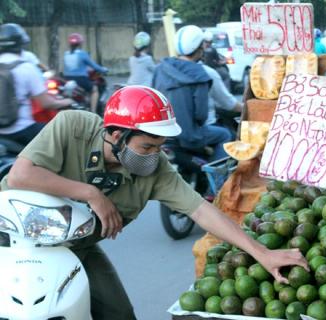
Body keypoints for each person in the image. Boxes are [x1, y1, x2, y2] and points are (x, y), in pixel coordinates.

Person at [1, 85, 308, 319]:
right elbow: (20, 176)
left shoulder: (155, 169)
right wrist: (91, 193)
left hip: (76, 249)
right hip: (13, 240)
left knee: (119, 313)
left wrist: (262, 252)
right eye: (146, 146)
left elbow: (201, 210)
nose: (152, 156)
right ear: (117, 134)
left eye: (159, 147)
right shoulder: (72, 127)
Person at [152, 25, 232, 161]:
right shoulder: (200, 74)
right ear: (199, 49)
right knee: (225, 134)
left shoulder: (160, 68)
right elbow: (201, 116)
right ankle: (218, 178)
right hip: (189, 136)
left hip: (162, 132)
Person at [0, 23, 74, 145]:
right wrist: (67, 102)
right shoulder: (26, 67)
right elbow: (47, 103)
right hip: (22, 130)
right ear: (20, 44)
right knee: (65, 136)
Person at [63, 32, 108, 114]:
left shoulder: (66, 54)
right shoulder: (82, 54)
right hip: (81, 79)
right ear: (80, 44)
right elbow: (94, 66)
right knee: (94, 89)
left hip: (67, 79)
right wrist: (104, 70)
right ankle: (93, 112)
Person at [201, 61, 243, 135]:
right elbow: (228, 103)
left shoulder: (174, 70)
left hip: (181, 126)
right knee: (227, 136)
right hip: (206, 124)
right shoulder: (208, 72)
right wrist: (247, 108)